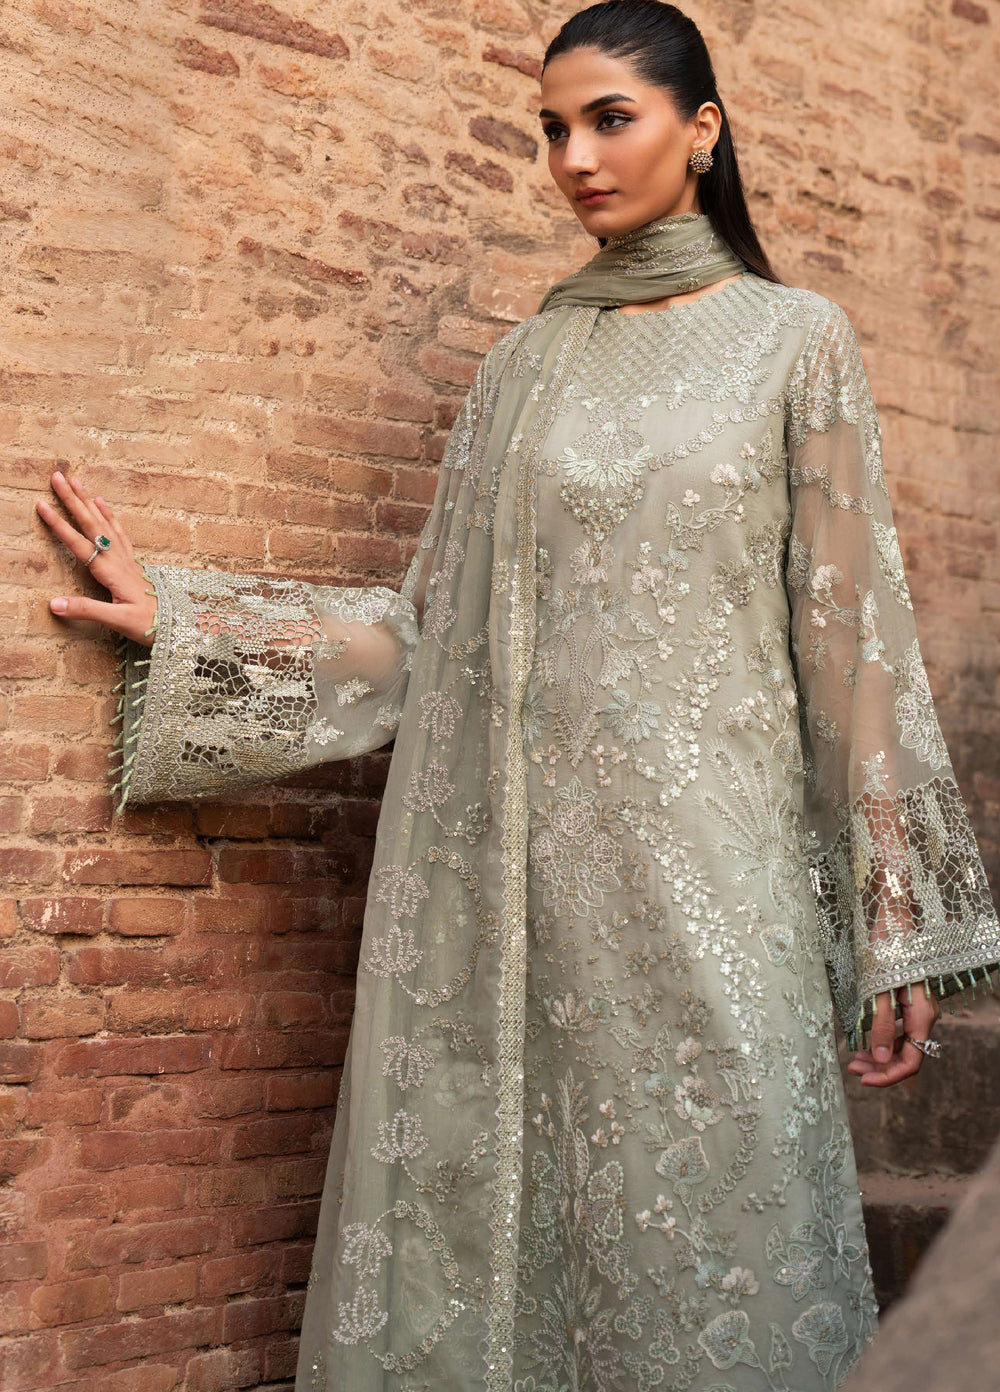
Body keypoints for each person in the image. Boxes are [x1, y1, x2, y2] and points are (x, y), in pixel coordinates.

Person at [35, 3, 999, 1389]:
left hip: (716, 895)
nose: (575, 159)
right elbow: (434, 638)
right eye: (552, 129)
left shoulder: (797, 342)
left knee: (729, 1251)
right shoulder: (523, 367)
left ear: (702, 131)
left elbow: (856, 642)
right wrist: (194, 626)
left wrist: (895, 922)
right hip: (520, 906)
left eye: (611, 119)